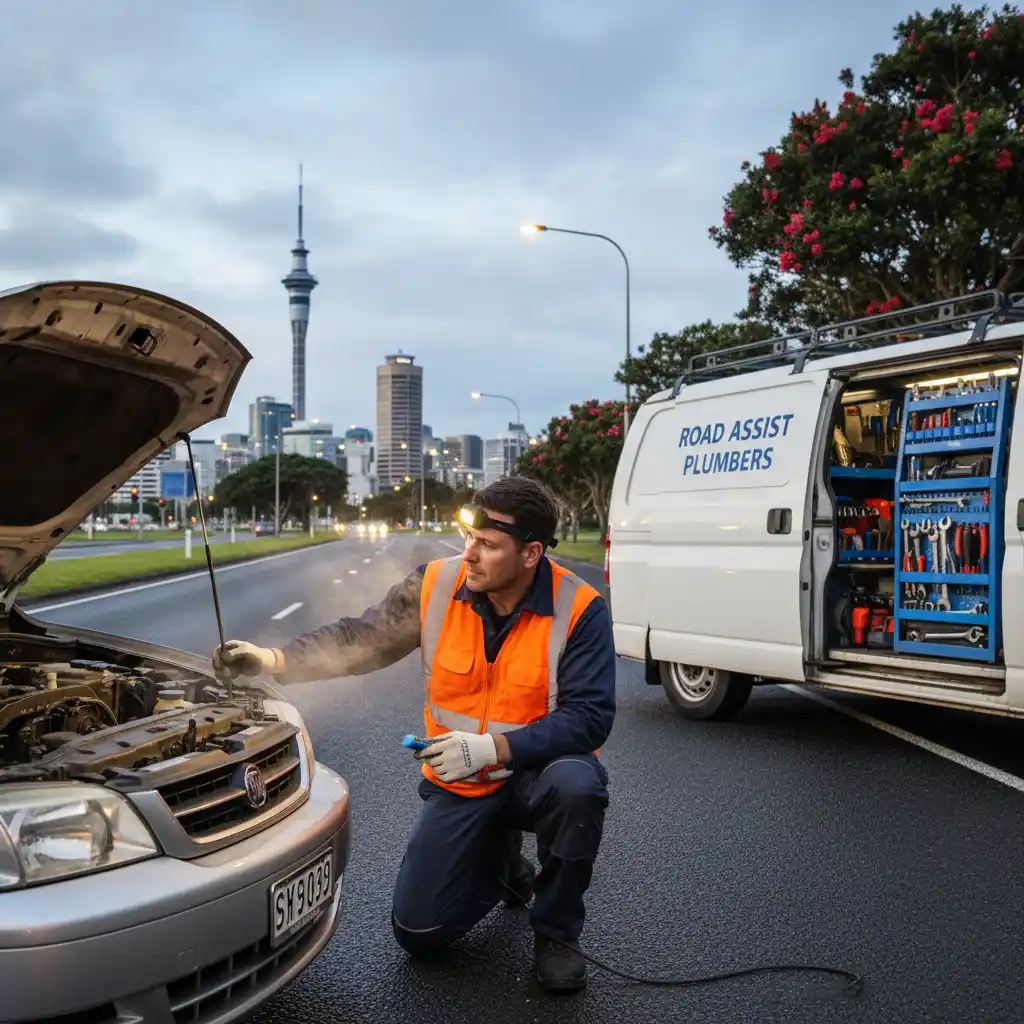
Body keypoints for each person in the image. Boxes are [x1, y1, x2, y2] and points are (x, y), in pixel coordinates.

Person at [212, 476, 616, 993]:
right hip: (463, 783)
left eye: (488, 546)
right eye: (468, 538)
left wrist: (494, 747)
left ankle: (557, 933)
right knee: (419, 933)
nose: (468, 554)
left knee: (578, 788)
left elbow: (590, 717)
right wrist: (273, 659)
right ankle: (503, 863)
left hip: (537, 773)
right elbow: (362, 638)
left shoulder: (579, 608)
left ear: (531, 552)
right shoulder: (437, 584)